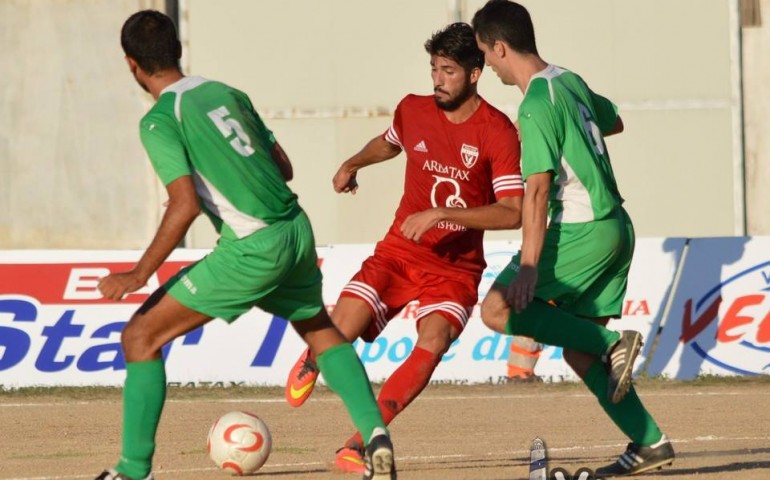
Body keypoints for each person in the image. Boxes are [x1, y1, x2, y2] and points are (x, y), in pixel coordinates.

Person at [94, 10, 395, 480]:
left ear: (132, 64)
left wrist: (139, 273)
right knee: (318, 329)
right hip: (296, 229)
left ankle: (132, 472)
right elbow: (284, 167)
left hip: (254, 245)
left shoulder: (159, 120)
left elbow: (184, 204)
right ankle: (375, 433)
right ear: (177, 50)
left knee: (140, 337)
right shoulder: (225, 93)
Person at [284, 22, 524, 474]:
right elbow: (391, 143)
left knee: (432, 344)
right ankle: (316, 355)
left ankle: (359, 443)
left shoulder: (498, 131)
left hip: (456, 270)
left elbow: (512, 211)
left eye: (448, 70)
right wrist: (353, 163)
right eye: (434, 68)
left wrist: (442, 215)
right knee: (342, 328)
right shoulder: (413, 109)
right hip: (399, 253)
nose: (437, 79)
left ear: (475, 73)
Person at [472, 1, 675, 476]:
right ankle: (650, 442)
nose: (487, 64)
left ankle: (612, 340)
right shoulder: (569, 81)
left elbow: (538, 189)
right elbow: (614, 121)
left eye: (486, 54)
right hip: (617, 228)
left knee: (496, 309)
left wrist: (527, 265)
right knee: (581, 353)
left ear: (500, 47)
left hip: (581, 228)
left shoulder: (535, 104)